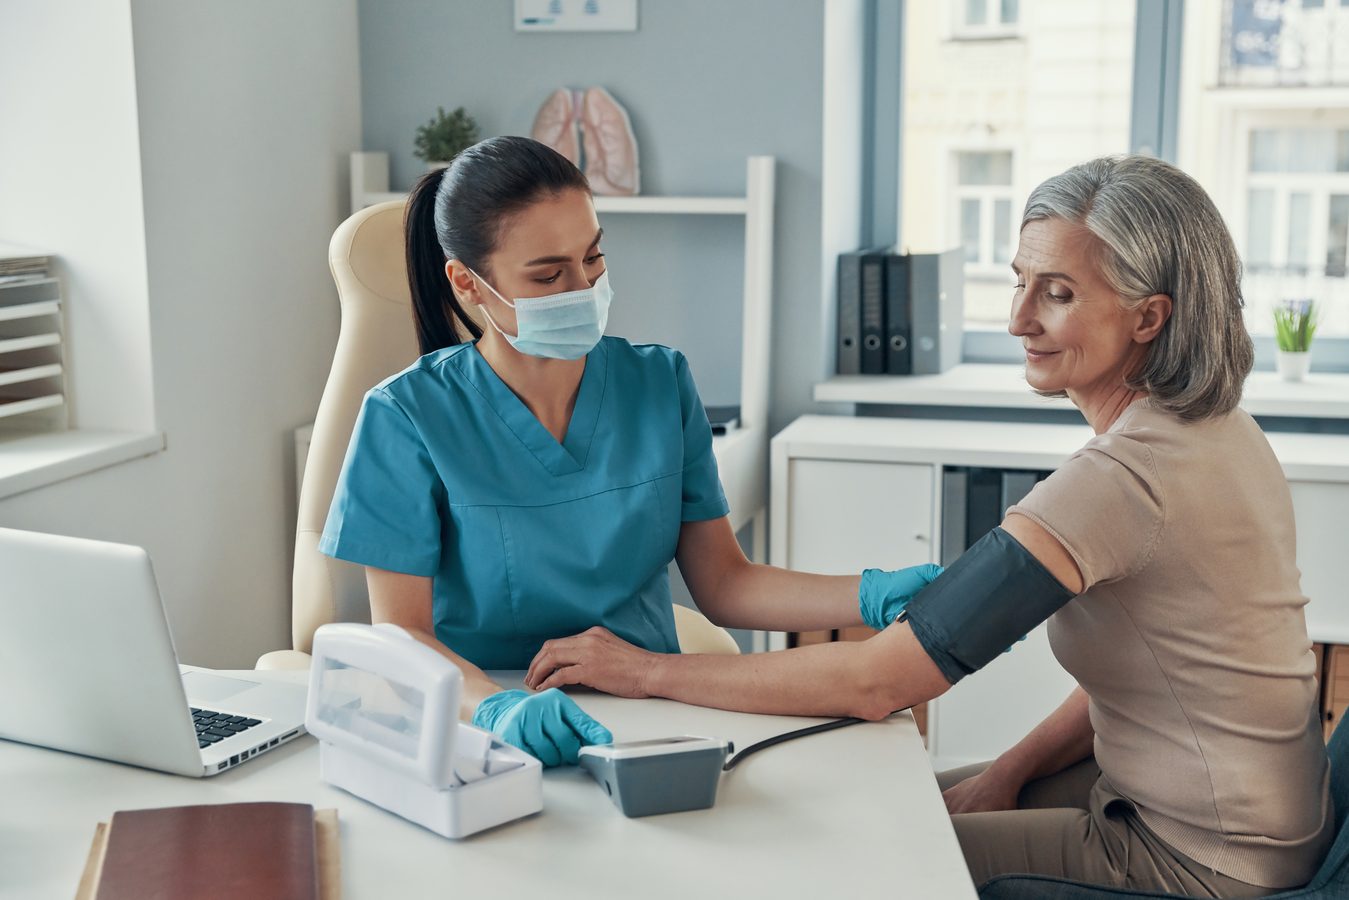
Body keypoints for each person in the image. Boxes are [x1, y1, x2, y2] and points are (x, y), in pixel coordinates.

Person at [524, 155, 1332, 897]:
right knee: (904, 795)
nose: (1018, 319)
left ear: (1148, 318)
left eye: (1057, 293)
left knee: (852, 853)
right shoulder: (1217, 429)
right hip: (1240, 821)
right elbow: (1154, 679)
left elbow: (876, 681)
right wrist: (1007, 771)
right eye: (1018, 281)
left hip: (1201, 861)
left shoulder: (1119, 483)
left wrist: (641, 671)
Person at [320, 136, 940, 769]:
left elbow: (726, 584)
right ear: (468, 283)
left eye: (592, 258)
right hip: (484, 723)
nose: (583, 287)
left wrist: (870, 592)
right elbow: (402, 635)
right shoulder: (406, 416)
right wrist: (494, 708)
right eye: (549, 274)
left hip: (651, 711)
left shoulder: (659, 383)